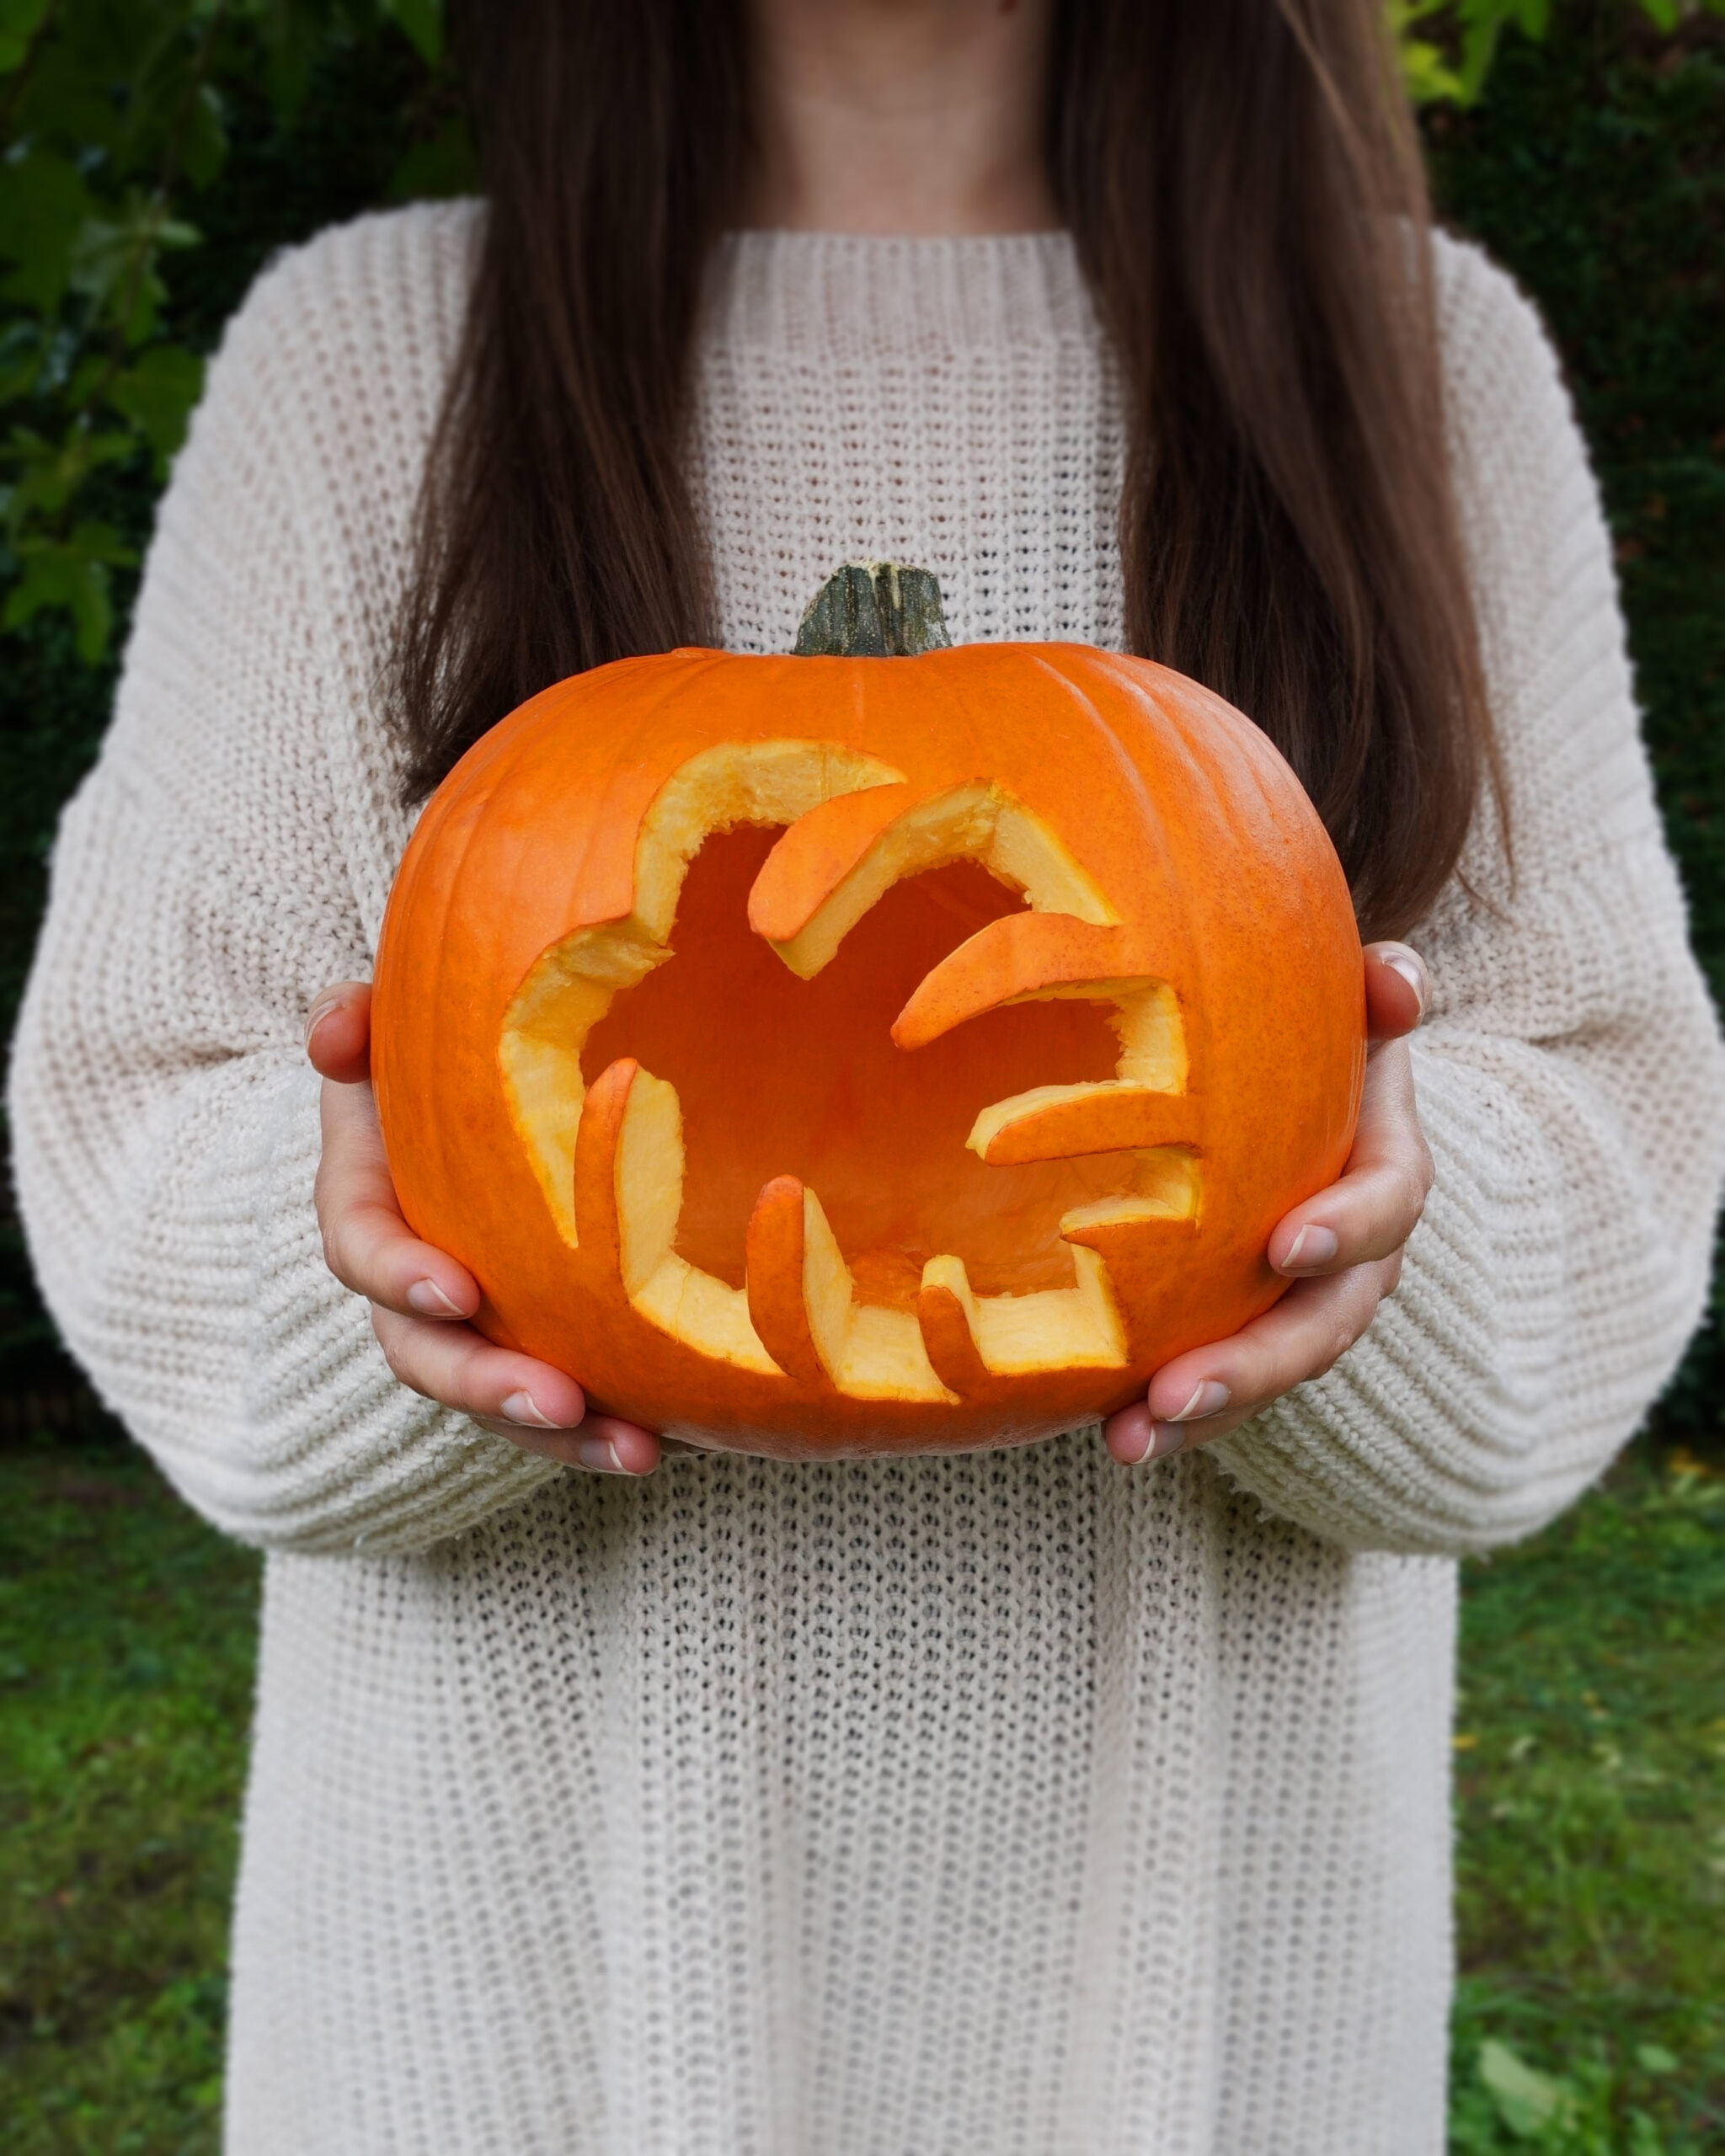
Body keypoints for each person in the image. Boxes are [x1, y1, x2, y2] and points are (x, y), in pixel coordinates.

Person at [11, 0, 1722, 2148]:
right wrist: (408, 1258)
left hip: (1211, 2038)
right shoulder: (367, 357)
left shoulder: (1422, 353)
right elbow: (133, 1132)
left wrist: (1357, 1222)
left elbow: (1613, 1143)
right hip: (503, 2022)